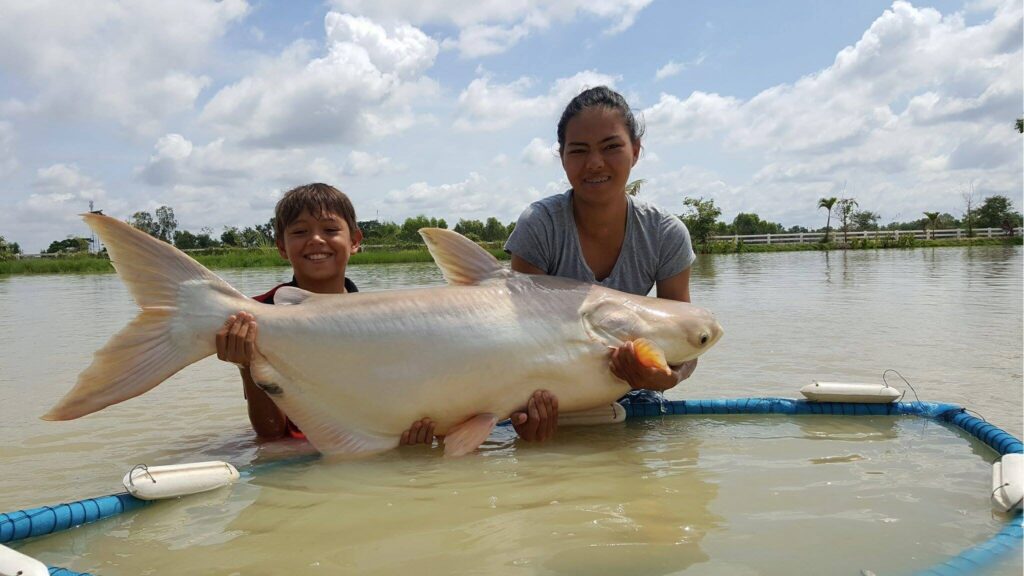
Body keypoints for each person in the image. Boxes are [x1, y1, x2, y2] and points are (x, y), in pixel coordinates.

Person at [504, 86, 699, 442]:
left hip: (628, 392)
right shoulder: (540, 225)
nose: (595, 163)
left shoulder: (666, 234)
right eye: (579, 151)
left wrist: (668, 377)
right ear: (562, 158)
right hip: (545, 393)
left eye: (611, 147)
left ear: (635, 151)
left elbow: (685, 341)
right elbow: (519, 337)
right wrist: (523, 408)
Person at [215, 183, 435, 445]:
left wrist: (412, 434)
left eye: (330, 230)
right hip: (298, 455)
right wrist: (247, 366)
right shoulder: (256, 315)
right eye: (299, 231)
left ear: (354, 241)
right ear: (282, 247)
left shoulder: (383, 319)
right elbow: (271, 434)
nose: (316, 239)